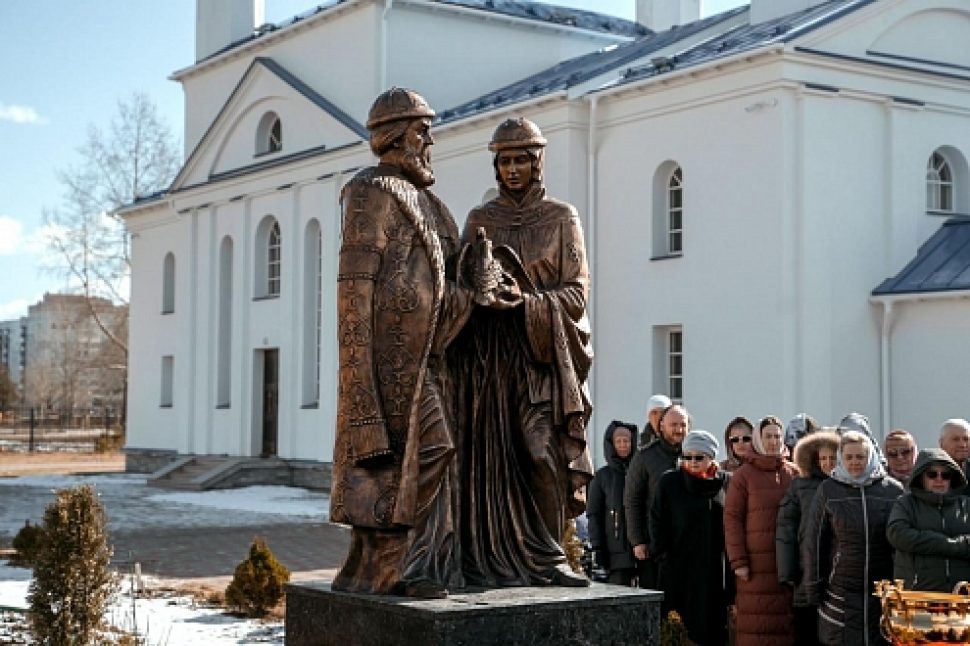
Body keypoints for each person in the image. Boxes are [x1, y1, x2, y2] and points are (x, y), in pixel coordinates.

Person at [330, 88, 475, 597]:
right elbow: (353, 294)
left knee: (419, 459)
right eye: (420, 130)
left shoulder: (430, 203)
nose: (429, 140)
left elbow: (437, 294)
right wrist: (361, 405)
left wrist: (471, 285)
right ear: (393, 136)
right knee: (410, 458)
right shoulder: (370, 191)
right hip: (387, 368)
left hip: (423, 365)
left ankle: (390, 570)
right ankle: (387, 570)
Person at [450, 116, 593, 587]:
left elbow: (576, 292)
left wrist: (527, 302)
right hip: (489, 362)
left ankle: (550, 557)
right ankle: (483, 558)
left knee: (540, 454)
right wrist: (480, 291)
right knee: (487, 462)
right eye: (504, 161)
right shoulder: (480, 220)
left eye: (521, 160)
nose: (512, 169)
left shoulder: (561, 217)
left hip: (539, 359)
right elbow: (462, 285)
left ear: (538, 162)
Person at [802, 431, 904, 645]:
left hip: (882, 590)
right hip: (840, 591)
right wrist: (813, 588)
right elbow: (814, 542)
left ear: (871, 457)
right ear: (841, 458)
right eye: (849, 457)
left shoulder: (892, 491)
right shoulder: (829, 490)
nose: (855, 462)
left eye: (860, 457)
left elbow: (900, 543)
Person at [650, 430, 732, 645]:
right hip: (677, 567)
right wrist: (661, 554)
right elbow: (656, 518)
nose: (692, 462)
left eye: (699, 457)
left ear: (711, 458)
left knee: (710, 626)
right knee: (677, 628)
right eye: (687, 456)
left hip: (712, 567)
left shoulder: (725, 483)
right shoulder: (670, 481)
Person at [724, 415, 798, 646]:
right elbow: (732, 519)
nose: (773, 441)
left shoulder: (793, 472)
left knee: (785, 626)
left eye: (777, 436)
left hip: (787, 564)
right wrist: (739, 562)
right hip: (755, 566)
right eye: (768, 436)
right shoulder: (743, 476)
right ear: (758, 439)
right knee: (755, 626)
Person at [776, 428, 840, 646]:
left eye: (833, 457)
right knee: (807, 632)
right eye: (823, 458)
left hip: (840, 573)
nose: (828, 463)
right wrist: (788, 572)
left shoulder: (849, 486)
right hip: (806, 571)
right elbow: (785, 529)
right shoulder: (800, 485)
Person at [887, 448, 970, 592]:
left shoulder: (966, 505)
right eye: (932, 474)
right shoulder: (906, 503)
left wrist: (930, 542)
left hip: (962, 596)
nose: (939, 479)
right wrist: (952, 544)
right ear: (921, 477)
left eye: (945, 475)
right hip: (918, 595)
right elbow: (898, 535)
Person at [624, 404, 689, 588]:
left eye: (683, 425)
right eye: (674, 425)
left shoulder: (694, 455)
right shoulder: (645, 456)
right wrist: (637, 541)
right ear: (661, 426)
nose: (679, 430)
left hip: (687, 544)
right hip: (654, 546)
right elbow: (632, 500)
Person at [587, 421, 638, 585]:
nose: (623, 445)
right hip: (615, 554)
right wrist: (598, 548)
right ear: (611, 444)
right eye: (619, 441)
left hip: (642, 552)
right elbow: (594, 515)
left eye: (627, 441)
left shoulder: (641, 472)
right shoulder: (602, 477)